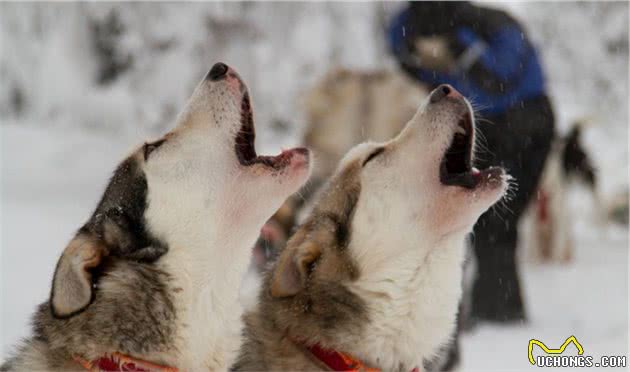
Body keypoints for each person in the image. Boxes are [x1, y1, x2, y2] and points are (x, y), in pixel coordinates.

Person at [388, 1, 556, 323]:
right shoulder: (413, 21)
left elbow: (500, 78)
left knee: (497, 219)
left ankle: (493, 310)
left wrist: (459, 47)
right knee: (466, 216)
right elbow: (401, 45)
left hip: (526, 122)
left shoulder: (496, 24)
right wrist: (416, 54)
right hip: (480, 122)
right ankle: (476, 309)